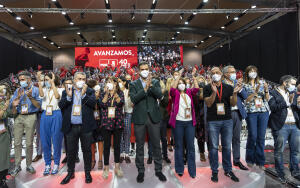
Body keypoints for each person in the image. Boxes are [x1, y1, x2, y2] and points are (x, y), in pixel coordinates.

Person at [129, 62, 167, 183]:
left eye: (146, 69)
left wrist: (150, 86)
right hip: (140, 118)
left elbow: (160, 95)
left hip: (153, 117)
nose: (144, 71)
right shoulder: (133, 84)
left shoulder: (155, 82)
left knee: (156, 144)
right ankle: (140, 170)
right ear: (139, 71)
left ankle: (158, 170)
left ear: (149, 70)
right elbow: (133, 99)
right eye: (142, 69)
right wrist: (144, 89)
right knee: (139, 146)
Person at [203, 67, 242, 183]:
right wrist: (214, 92)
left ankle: (228, 170)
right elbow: (209, 104)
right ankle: (214, 171)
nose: (215, 74)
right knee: (214, 147)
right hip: (213, 121)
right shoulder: (206, 88)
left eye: (217, 72)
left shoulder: (229, 88)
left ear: (221, 75)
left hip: (227, 120)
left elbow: (233, 103)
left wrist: (234, 93)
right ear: (210, 76)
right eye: (213, 73)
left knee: (226, 146)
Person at [59, 72, 97, 185]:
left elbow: (93, 104)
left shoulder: (90, 91)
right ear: (74, 80)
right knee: (71, 152)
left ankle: (87, 173)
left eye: (83, 79)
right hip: (71, 127)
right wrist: (69, 97)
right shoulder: (66, 91)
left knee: (87, 151)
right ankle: (70, 173)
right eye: (79, 78)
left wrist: (84, 95)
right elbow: (61, 105)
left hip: (85, 127)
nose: (81, 81)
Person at [268, 75, 300, 183]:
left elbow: (295, 107)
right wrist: (287, 102)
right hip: (281, 126)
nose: (294, 87)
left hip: (295, 125)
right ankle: (280, 173)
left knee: (296, 151)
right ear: (284, 83)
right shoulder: (272, 93)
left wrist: (298, 104)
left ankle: (295, 172)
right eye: (292, 84)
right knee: (279, 151)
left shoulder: (294, 94)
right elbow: (272, 107)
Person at [10, 71, 42, 176]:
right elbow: (13, 109)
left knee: (29, 143)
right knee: (17, 143)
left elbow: (38, 106)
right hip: (19, 117)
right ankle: (17, 166)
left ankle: (28, 165)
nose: (21, 81)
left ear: (29, 79)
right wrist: (16, 101)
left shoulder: (36, 90)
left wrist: (31, 97)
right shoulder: (17, 90)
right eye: (20, 80)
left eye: (23, 79)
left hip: (31, 116)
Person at [169, 68, 199, 178]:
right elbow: (172, 88)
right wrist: (179, 76)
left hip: (190, 123)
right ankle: (179, 168)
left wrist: (194, 76)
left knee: (191, 147)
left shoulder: (189, 92)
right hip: (178, 123)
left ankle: (192, 170)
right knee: (179, 146)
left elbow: (196, 88)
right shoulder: (175, 93)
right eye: (179, 83)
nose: (181, 85)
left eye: (183, 83)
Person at [243, 65, 270, 169]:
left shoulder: (262, 83)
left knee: (261, 137)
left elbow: (267, 98)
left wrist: (266, 90)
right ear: (247, 73)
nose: (253, 73)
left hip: (263, 111)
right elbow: (246, 100)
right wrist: (255, 92)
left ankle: (260, 161)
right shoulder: (245, 85)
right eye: (251, 71)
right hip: (251, 112)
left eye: (254, 71)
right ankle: (250, 159)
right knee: (253, 135)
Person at [222, 66, 248, 170]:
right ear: (225, 74)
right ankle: (227, 163)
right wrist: (233, 91)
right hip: (227, 113)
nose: (234, 74)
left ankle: (237, 160)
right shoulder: (221, 84)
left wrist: (240, 88)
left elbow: (245, 96)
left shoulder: (237, 83)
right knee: (226, 140)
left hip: (237, 113)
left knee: (236, 139)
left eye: (234, 72)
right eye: (231, 72)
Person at [37, 72, 64, 175]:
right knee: (45, 140)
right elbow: (41, 95)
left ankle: (56, 163)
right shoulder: (44, 90)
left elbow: (57, 97)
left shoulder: (60, 90)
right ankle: (47, 164)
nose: (46, 82)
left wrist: (53, 84)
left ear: (54, 80)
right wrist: (40, 84)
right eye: (46, 80)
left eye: (48, 79)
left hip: (57, 114)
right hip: (45, 115)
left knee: (57, 140)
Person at [100, 77, 124, 179]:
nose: (111, 84)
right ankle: (105, 168)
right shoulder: (103, 94)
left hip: (117, 122)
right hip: (106, 123)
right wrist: (107, 93)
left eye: (113, 82)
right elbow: (103, 104)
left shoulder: (120, 93)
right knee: (106, 146)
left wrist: (114, 93)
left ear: (116, 84)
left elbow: (121, 103)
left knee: (117, 146)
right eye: (108, 82)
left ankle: (117, 167)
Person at [148, 78, 172, 164]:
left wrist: (160, 95)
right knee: (151, 138)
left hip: (162, 118)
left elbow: (166, 103)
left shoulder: (165, 92)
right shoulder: (150, 91)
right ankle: (150, 156)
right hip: (152, 118)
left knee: (163, 138)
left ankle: (165, 156)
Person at [61, 78, 80, 164]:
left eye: (70, 83)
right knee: (67, 140)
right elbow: (61, 105)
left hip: (76, 118)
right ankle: (68, 156)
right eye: (66, 84)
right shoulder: (64, 93)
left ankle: (76, 156)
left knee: (75, 139)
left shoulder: (77, 92)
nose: (68, 85)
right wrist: (68, 96)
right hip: (67, 119)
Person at [0, 85, 15, 188]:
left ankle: (2, 178)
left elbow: (11, 114)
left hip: (3, 134)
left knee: (4, 157)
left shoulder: (2, 102)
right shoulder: (3, 103)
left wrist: (13, 105)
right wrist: (5, 105)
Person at [88, 80, 104, 170]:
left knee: (100, 140)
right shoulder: (88, 95)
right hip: (91, 120)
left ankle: (100, 160)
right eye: (95, 86)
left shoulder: (101, 95)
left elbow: (103, 105)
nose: (97, 88)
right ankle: (93, 160)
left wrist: (98, 98)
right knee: (92, 141)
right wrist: (94, 97)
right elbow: (89, 105)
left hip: (100, 119)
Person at [193, 76, 207, 162]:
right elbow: (198, 100)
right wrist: (199, 90)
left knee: (209, 136)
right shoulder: (194, 92)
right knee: (200, 136)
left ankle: (210, 151)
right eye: (199, 80)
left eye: (202, 80)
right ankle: (202, 152)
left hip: (208, 116)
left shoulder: (208, 90)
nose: (201, 81)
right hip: (199, 117)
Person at [119, 77, 133, 164]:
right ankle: (121, 153)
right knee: (120, 134)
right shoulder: (117, 92)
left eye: (120, 81)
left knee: (127, 133)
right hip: (119, 114)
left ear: (124, 82)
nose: (118, 83)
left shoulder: (129, 91)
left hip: (128, 113)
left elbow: (131, 104)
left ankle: (127, 154)